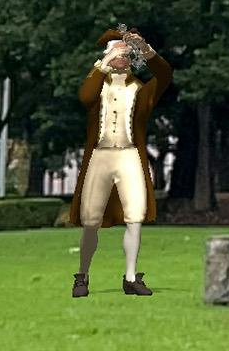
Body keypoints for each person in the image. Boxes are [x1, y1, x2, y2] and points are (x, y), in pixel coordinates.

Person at [67, 27, 172, 298]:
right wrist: (102, 65)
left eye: (125, 53)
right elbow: (85, 96)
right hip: (100, 155)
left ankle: (131, 275)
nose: (121, 58)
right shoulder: (97, 84)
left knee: (134, 216)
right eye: (116, 53)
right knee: (90, 219)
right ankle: (83, 275)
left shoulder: (139, 88)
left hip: (129, 154)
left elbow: (164, 75)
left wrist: (146, 49)